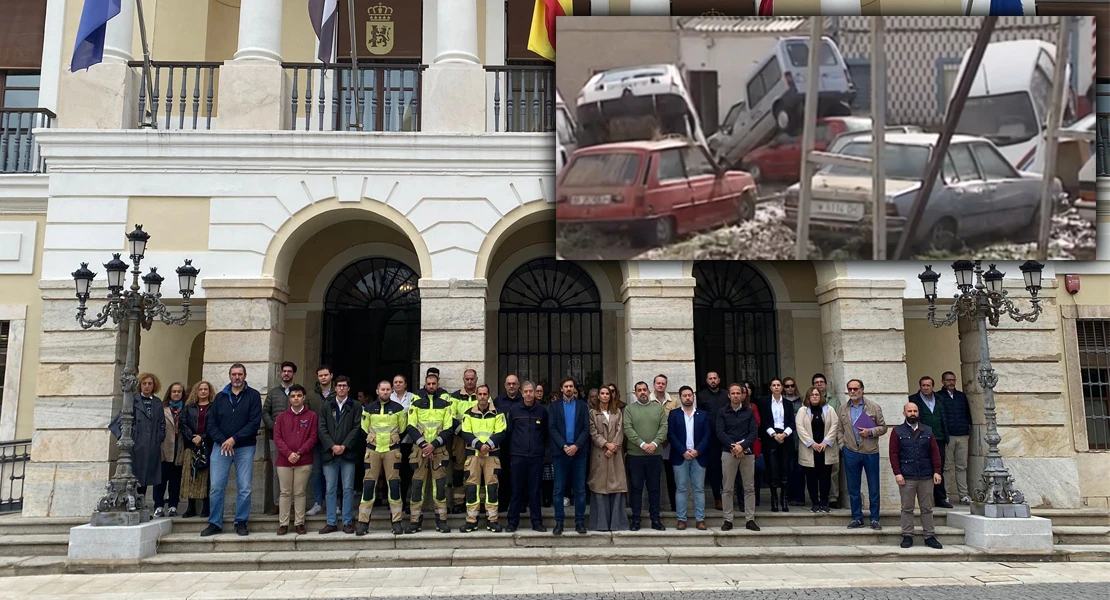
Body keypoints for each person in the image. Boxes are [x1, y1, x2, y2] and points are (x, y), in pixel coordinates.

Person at [201, 364, 262, 537]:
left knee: (245, 487)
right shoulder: (220, 397)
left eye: (240, 374)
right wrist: (223, 441)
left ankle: (241, 521)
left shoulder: (253, 396)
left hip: (245, 447)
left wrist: (234, 439)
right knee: (216, 487)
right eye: (234, 374)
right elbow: (211, 423)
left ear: (245, 376)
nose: (237, 377)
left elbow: (254, 422)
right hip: (221, 447)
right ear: (229, 376)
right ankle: (214, 523)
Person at [403, 374, 454, 534]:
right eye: (428, 384)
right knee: (417, 486)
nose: (431, 386)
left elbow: (448, 429)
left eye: (434, 383)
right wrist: (425, 445)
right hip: (420, 451)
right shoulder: (416, 403)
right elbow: (410, 427)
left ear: (438, 384)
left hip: (438, 451)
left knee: (439, 488)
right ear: (425, 385)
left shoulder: (445, 404)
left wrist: (433, 445)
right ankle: (415, 521)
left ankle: (442, 521)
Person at [890, 402, 944, 549]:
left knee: (927, 508)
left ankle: (930, 536)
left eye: (915, 411)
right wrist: (897, 473)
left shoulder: (927, 430)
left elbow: (935, 452)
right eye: (909, 411)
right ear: (904, 413)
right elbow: (893, 454)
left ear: (918, 413)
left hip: (926, 475)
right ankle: (907, 535)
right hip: (907, 476)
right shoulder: (897, 431)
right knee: (907, 508)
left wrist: (937, 471)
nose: (912, 413)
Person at [357, 380, 407, 536]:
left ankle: (397, 522)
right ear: (377, 391)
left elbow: (403, 429)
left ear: (391, 391)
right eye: (382, 389)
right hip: (373, 450)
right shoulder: (369, 408)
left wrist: (393, 441)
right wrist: (374, 441)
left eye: (387, 389)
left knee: (394, 486)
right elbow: (364, 429)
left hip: (392, 451)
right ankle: (363, 523)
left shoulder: (398, 408)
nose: (385, 392)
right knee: (368, 486)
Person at [838, 379, 888, 530]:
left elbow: (883, 427)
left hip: (870, 452)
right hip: (851, 451)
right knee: (853, 488)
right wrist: (842, 446)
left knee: (874, 486)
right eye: (850, 389)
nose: (852, 392)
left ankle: (874, 518)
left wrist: (871, 432)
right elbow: (839, 429)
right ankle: (857, 517)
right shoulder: (842, 409)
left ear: (862, 390)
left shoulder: (873, 407)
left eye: (855, 389)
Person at [459, 385, 508, 532]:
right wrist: (480, 445)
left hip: (491, 456)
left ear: (489, 395)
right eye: (479, 394)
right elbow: (465, 433)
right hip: (473, 455)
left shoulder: (498, 413)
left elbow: (502, 432)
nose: (482, 397)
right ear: (476, 396)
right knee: (471, 488)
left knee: (492, 488)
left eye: (484, 394)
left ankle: (492, 520)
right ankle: (471, 520)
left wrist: (488, 445)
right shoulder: (468, 414)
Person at [318, 376, 363, 534]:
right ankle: (331, 522)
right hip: (330, 454)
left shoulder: (356, 406)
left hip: (348, 454)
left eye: (344, 386)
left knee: (348, 488)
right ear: (335, 388)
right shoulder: (326, 406)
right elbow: (321, 428)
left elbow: (357, 427)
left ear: (348, 388)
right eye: (339, 386)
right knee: (330, 489)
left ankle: (347, 521)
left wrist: (345, 445)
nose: (342, 388)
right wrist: (332, 445)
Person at [623, 381, 668, 532]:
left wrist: (654, 443)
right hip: (635, 456)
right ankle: (636, 520)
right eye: (639, 390)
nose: (642, 392)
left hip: (654, 455)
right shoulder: (629, 409)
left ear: (649, 391)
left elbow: (664, 427)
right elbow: (628, 429)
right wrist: (642, 444)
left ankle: (655, 519)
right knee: (636, 489)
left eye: (644, 390)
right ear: (635, 393)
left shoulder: (658, 408)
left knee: (654, 489)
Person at [273, 384, 318, 535]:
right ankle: (283, 523)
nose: (296, 398)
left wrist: (299, 452)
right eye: (293, 396)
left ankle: (299, 523)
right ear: (289, 398)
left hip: (304, 460)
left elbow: (313, 438)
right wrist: (288, 453)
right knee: (285, 492)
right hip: (284, 461)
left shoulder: (311, 416)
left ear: (304, 397)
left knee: (300, 492)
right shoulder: (281, 417)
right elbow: (277, 438)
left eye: (299, 395)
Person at [548, 376, 589, 535]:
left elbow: (586, 428)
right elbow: (551, 429)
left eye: (571, 386)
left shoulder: (582, 406)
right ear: (561, 389)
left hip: (578, 453)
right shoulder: (554, 406)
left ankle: (580, 522)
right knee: (558, 489)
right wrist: (565, 446)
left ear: (574, 389)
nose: (569, 389)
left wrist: (576, 446)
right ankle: (559, 522)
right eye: (566, 386)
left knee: (580, 490)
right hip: (560, 453)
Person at [716, 383, 760, 531]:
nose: (735, 395)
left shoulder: (749, 412)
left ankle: (750, 519)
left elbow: (754, 432)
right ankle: (728, 520)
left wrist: (743, 446)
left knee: (749, 488)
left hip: (747, 453)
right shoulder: (722, 412)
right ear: (729, 395)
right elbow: (720, 432)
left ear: (743, 395)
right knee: (727, 488)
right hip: (729, 452)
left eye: (738, 393)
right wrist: (734, 446)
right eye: (733, 393)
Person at [506, 381, 548, 532]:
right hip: (518, 456)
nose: (529, 394)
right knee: (516, 490)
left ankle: (536, 522)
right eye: (526, 392)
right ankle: (512, 522)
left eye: (532, 391)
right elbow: (509, 431)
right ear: (521, 393)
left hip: (536, 456)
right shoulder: (514, 409)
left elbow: (545, 433)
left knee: (535, 490)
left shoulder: (542, 411)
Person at [668, 385, 710, 530]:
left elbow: (707, 435)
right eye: (685, 395)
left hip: (699, 457)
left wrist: (697, 451)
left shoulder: (702, 415)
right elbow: (671, 435)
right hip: (681, 457)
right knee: (681, 489)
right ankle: (681, 519)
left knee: (699, 489)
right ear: (680, 398)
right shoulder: (674, 415)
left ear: (693, 397)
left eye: (690, 395)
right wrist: (683, 451)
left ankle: (700, 519)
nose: (688, 397)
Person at [588, 384, 627, 532]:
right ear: (598, 396)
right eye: (602, 393)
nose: (605, 396)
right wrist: (605, 444)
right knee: (600, 486)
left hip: (615, 455)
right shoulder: (592, 413)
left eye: (607, 393)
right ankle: (601, 524)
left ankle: (617, 523)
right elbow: (593, 432)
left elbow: (620, 431)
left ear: (611, 396)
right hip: (600, 454)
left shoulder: (617, 412)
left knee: (616, 486)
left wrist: (614, 446)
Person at [262, 361, 298, 515]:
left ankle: (293, 504)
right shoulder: (273, 393)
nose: (286, 374)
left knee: (296, 472)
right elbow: (265, 412)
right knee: (278, 472)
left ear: (293, 374)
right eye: (284, 371)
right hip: (275, 439)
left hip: (296, 439)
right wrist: (274, 427)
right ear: (280, 373)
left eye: (289, 371)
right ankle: (278, 503)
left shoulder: (298, 392)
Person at [911, 376, 952, 509]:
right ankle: (925, 498)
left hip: (939, 437)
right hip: (921, 438)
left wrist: (946, 436)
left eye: (928, 385)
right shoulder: (914, 400)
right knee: (924, 466)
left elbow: (944, 418)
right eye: (923, 385)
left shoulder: (940, 399)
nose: (926, 388)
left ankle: (940, 497)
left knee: (939, 467)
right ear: (920, 386)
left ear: (933, 386)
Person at [796, 386, 839, 513]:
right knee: (811, 478)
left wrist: (826, 442)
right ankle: (815, 503)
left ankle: (824, 502)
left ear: (821, 397)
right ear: (808, 397)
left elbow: (834, 426)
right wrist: (812, 443)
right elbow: (800, 428)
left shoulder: (829, 410)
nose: (814, 396)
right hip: (810, 449)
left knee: (825, 477)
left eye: (817, 394)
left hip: (826, 449)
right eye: (812, 395)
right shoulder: (802, 411)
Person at [759, 378, 796, 513]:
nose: (776, 387)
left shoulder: (787, 403)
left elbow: (792, 422)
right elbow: (763, 422)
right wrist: (774, 434)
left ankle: (784, 499)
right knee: (773, 470)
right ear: (770, 387)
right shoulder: (764, 403)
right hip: (771, 437)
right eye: (773, 385)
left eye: (778, 385)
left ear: (782, 388)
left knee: (785, 469)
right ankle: (774, 499)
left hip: (785, 438)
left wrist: (784, 434)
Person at [304, 365, 336, 517]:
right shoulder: (310, 395)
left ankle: (333, 503)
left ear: (331, 376)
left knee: (333, 473)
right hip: (315, 439)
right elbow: (307, 416)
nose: (323, 378)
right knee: (316, 472)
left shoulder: (339, 393)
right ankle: (318, 502)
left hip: (333, 439)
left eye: (325, 375)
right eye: (320, 375)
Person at [696, 371, 730, 511]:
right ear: (706, 380)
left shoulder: (726, 394)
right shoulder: (701, 396)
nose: (713, 380)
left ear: (719, 379)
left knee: (729, 468)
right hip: (710, 438)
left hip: (727, 437)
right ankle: (718, 498)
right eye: (710, 378)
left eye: (715, 378)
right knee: (715, 468)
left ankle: (730, 497)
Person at [179, 381, 213, 518]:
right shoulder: (188, 408)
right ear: (196, 391)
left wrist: (203, 437)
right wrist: (192, 437)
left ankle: (206, 507)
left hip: (207, 445)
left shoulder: (213, 408)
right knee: (190, 476)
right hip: (191, 445)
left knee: (206, 476)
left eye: (206, 389)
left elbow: (214, 425)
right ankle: (190, 507)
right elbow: (183, 423)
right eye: (201, 389)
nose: (203, 391)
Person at [131, 373, 167, 504]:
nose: (147, 386)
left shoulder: (157, 402)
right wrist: (133, 436)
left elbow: (162, 423)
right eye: (144, 383)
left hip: (152, 443)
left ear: (154, 385)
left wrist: (160, 438)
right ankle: (134, 503)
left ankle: (141, 503)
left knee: (147, 475)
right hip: (137, 443)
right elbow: (125, 420)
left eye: (150, 384)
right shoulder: (133, 400)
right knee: (136, 474)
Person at [939, 371, 973, 504]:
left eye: (953, 380)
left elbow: (967, 414)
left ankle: (963, 494)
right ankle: (945, 495)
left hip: (962, 435)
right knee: (946, 467)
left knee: (961, 466)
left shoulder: (961, 396)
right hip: (948, 436)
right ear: (943, 381)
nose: (951, 382)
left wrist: (967, 428)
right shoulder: (939, 396)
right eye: (948, 380)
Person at [153, 382, 186, 517]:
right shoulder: (162, 409)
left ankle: (173, 505)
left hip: (180, 448)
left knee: (175, 480)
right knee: (160, 480)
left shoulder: (186, 409)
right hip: (165, 447)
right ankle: (159, 505)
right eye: (174, 391)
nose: (176, 394)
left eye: (179, 391)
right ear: (170, 393)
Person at [450, 369, 480, 514]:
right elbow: (450, 417)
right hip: (460, 438)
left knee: (477, 468)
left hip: (478, 439)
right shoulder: (455, 396)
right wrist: (463, 432)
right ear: (463, 380)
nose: (470, 381)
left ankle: (476, 501)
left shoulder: (482, 395)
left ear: (476, 379)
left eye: (472, 379)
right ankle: (458, 501)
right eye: (467, 379)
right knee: (459, 467)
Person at [493, 375, 523, 513]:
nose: (511, 386)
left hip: (519, 445)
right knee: (503, 475)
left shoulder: (524, 400)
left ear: (518, 385)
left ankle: (520, 504)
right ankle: (503, 503)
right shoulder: (498, 401)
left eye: (514, 384)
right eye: (509, 384)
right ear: (505, 385)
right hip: (503, 445)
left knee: (519, 475)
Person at [812, 373, 842, 508]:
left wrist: (828, 439)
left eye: (821, 382)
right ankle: (818, 497)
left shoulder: (834, 401)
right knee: (816, 470)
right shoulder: (808, 401)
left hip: (830, 440)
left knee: (833, 470)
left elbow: (837, 421)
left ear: (826, 384)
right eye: (816, 382)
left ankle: (833, 497)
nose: (819, 384)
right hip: (814, 442)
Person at [651, 375, 680, 512]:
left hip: (669, 444)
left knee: (671, 477)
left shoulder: (673, 401)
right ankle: (654, 508)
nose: (660, 385)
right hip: (653, 443)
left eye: (663, 383)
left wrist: (667, 437)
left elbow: (676, 421)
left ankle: (674, 507)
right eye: (658, 383)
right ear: (654, 385)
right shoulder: (648, 401)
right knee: (654, 477)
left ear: (666, 385)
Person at [782, 377, 806, 507]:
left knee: (800, 470)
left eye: (792, 385)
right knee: (788, 469)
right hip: (786, 439)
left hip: (800, 439)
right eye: (787, 386)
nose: (790, 388)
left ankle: (800, 497)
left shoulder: (802, 401)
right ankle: (788, 496)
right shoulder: (781, 402)